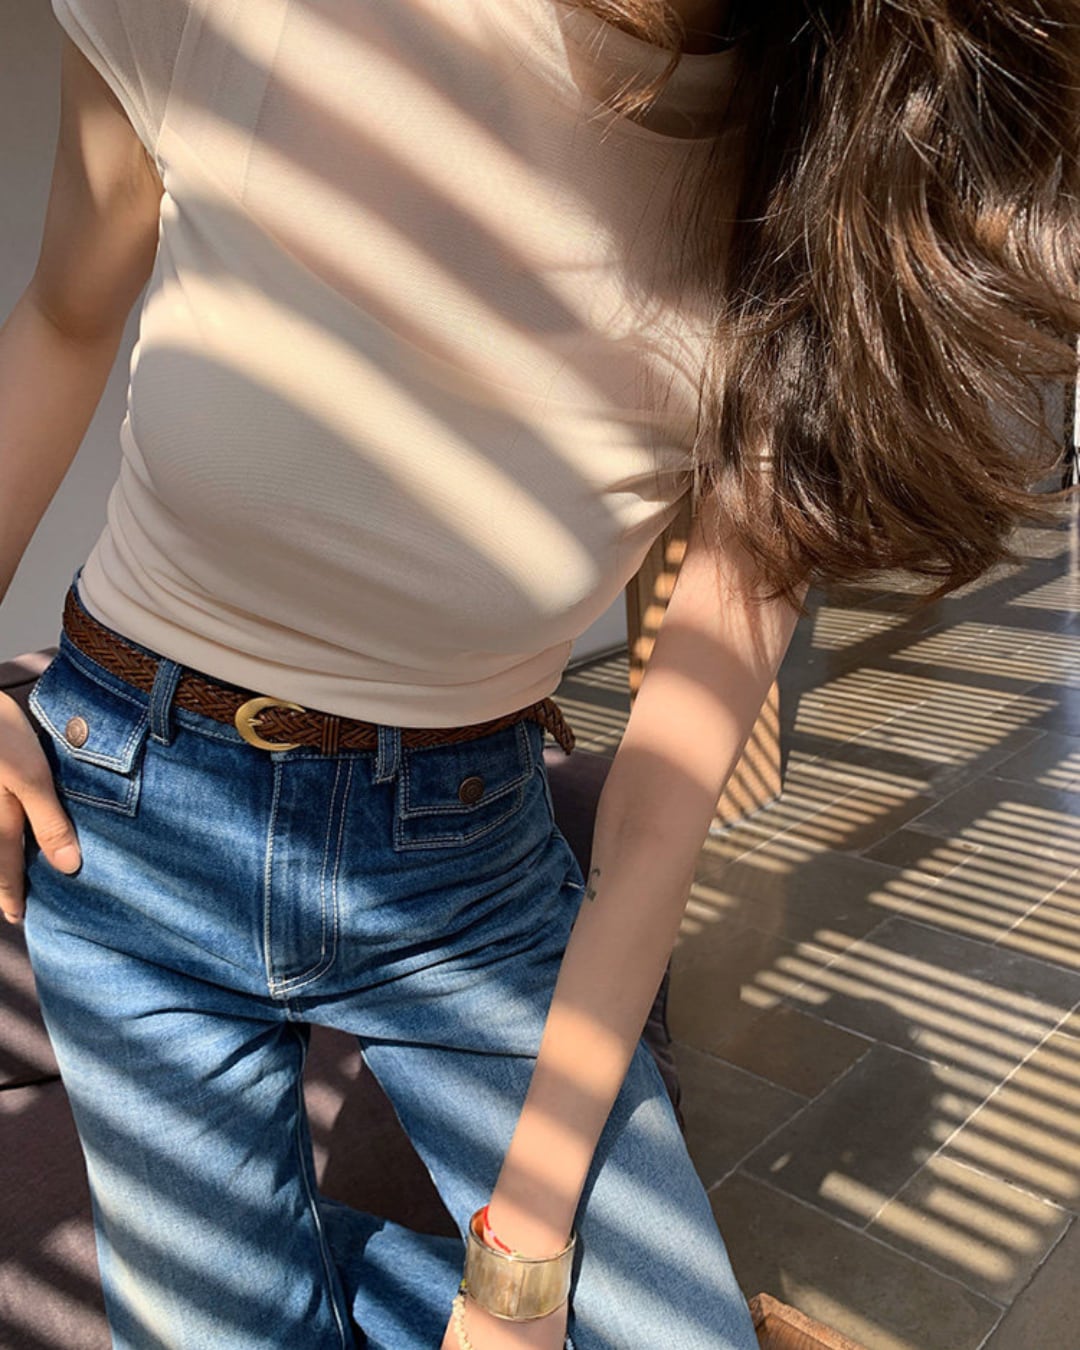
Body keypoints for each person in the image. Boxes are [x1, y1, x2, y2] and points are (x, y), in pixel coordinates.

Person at [0, 1, 1076, 1347]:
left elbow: (659, 815)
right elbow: (60, 319)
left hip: (465, 864)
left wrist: (516, 1269)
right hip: (128, 808)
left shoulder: (823, 200)